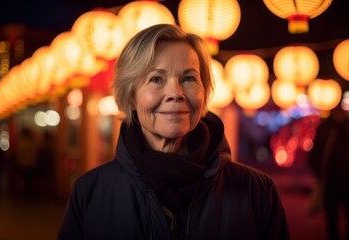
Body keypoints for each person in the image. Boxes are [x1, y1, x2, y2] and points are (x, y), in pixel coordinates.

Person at [57, 24, 289, 239]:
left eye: (189, 78)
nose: (175, 93)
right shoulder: (90, 193)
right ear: (131, 96)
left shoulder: (255, 191)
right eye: (156, 79)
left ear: (204, 92)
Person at [308, 105, 349, 240]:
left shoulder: (336, 128)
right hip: (331, 182)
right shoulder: (325, 129)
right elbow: (315, 155)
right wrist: (319, 174)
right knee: (332, 219)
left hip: (341, 181)